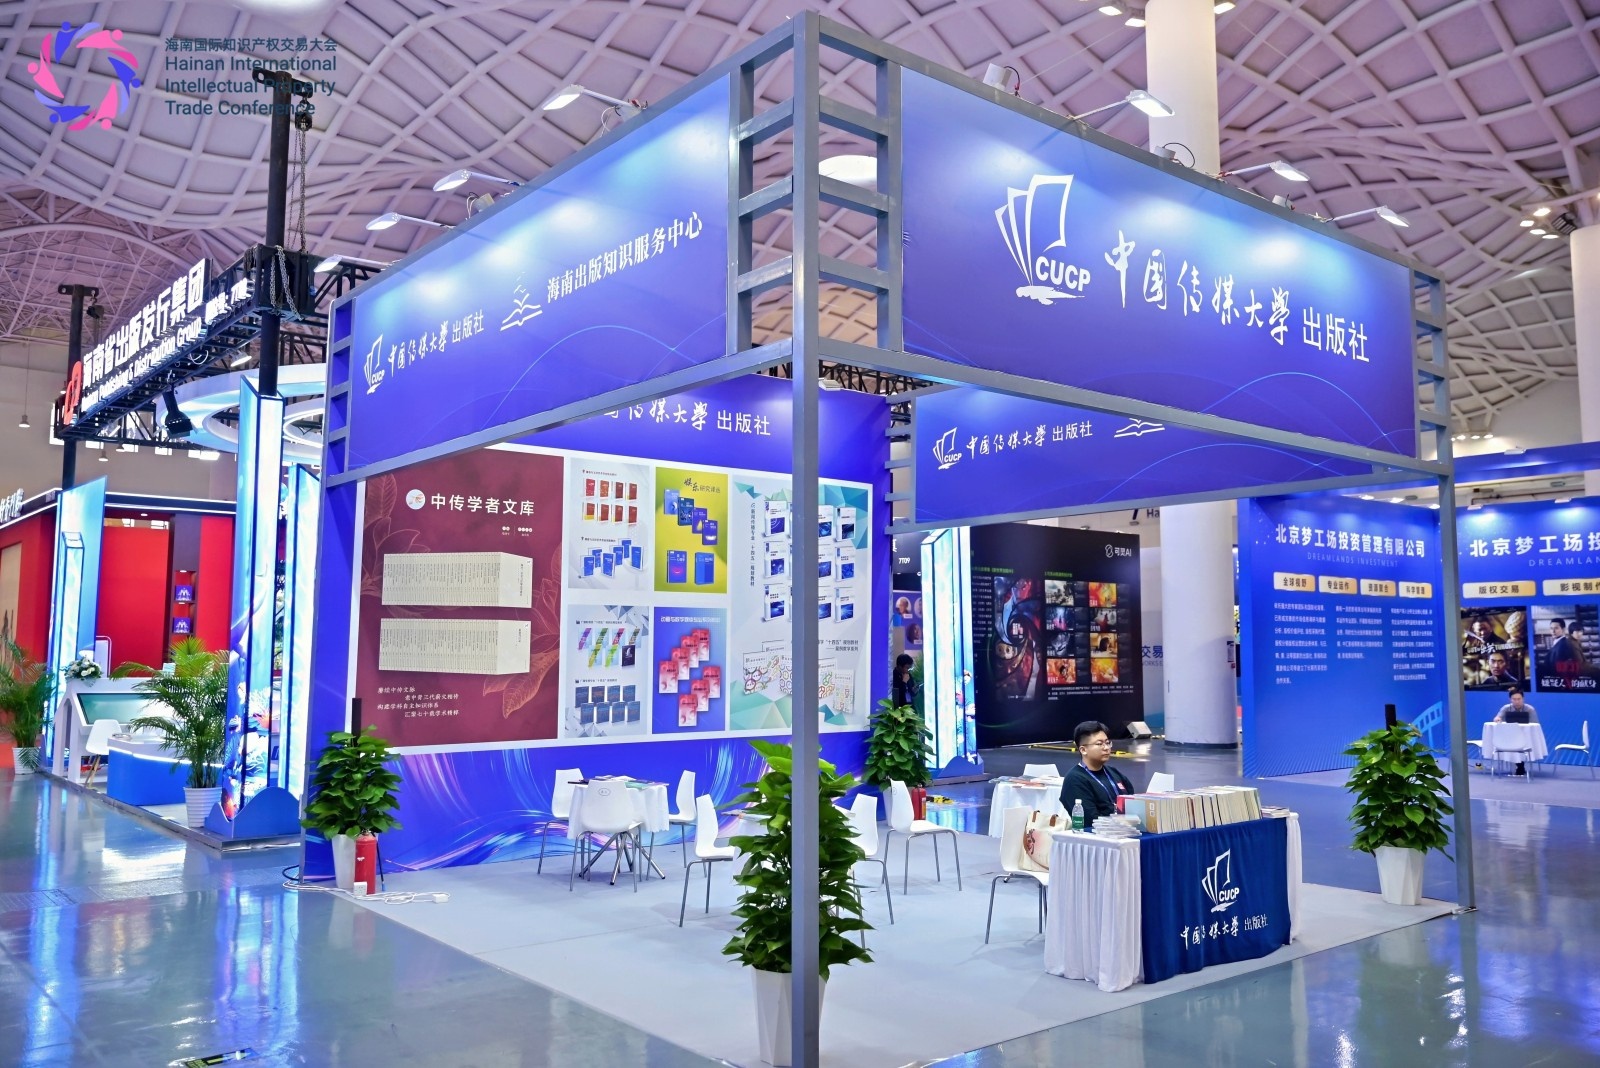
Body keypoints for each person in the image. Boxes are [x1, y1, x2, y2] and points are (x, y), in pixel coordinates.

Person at [1060, 720, 1134, 824]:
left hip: (1127, 828)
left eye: (1107, 743)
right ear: (1083, 750)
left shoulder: (1114, 773)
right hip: (1099, 832)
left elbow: (1133, 802)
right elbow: (1090, 820)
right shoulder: (1075, 779)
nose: (1106, 748)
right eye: (1099, 744)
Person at [1494, 689, 1539, 775]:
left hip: (1526, 736)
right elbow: (1497, 718)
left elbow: (1535, 724)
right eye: (1514, 699)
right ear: (1510, 699)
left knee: (1520, 743)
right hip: (1509, 736)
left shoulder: (1530, 709)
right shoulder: (1506, 708)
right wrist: (1497, 719)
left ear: (1523, 699)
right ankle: (1519, 766)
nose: (1517, 701)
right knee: (1511, 742)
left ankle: (1520, 765)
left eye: (1519, 699)